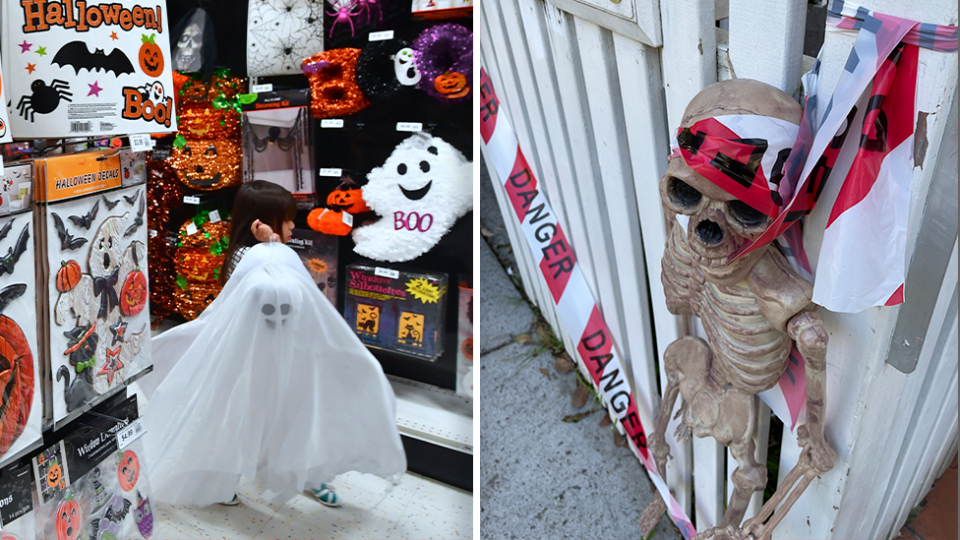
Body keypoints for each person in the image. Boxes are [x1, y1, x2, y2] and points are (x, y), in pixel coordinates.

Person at [140, 181, 406, 509]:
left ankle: (305, 474)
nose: (295, 226)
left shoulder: (269, 252)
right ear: (263, 221)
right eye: (288, 219)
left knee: (295, 415)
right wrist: (273, 250)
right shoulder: (251, 258)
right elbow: (269, 295)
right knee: (246, 417)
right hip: (255, 357)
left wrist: (275, 246)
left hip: (285, 352)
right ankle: (223, 476)